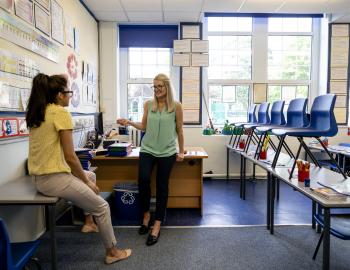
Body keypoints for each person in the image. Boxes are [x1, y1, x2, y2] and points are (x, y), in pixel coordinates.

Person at [26, 73, 131, 264]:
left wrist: (85, 179)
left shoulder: (40, 111)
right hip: (53, 179)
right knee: (102, 206)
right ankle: (112, 252)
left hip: (39, 178)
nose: (70, 96)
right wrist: (86, 184)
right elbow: (70, 157)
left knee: (90, 175)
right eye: (69, 92)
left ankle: (89, 223)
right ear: (59, 95)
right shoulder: (60, 113)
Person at [117, 73, 184, 246]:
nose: (156, 90)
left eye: (159, 86)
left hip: (167, 152)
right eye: (154, 87)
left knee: (162, 186)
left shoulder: (176, 106)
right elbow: (144, 126)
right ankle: (146, 215)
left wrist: (182, 151)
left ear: (167, 87)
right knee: (143, 179)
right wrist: (129, 122)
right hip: (147, 149)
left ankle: (157, 224)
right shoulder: (148, 104)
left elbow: (180, 130)